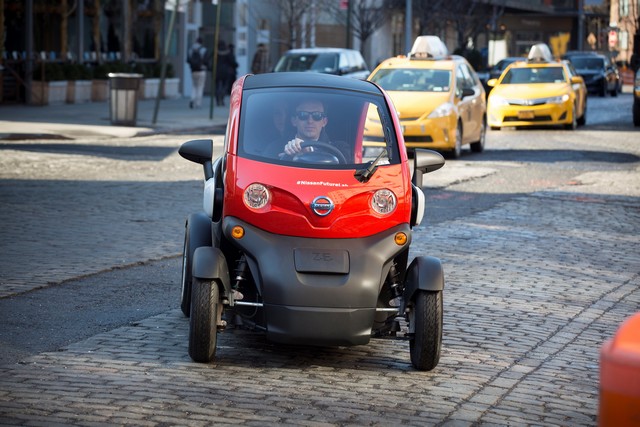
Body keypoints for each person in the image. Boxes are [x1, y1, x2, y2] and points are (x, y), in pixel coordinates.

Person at [266, 98, 349, 161]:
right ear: (294, 121)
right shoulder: (275, 148)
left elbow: (350, 176)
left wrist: (309, 152)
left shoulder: (340, 149)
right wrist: (288, 158)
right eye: (303, 115)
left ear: (324, 122)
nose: (310, 121)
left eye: (317, 115)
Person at [187, 37, 207, 109]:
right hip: (201, 70)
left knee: (194, 86)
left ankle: (192, 99)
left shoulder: (190, 49)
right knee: (200, 87)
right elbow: (206, 61)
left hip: (193, 71)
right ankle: (198, 103)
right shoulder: (203, 50)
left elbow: (188, 60)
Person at [215, 40, 237, 106]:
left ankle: (217, 99)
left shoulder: (216, 52)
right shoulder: (228, 52)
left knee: (217, 86)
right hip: (226, 71)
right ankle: (222, 98)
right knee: (225, 86)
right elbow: (232, 62)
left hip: (217, 71)